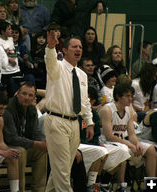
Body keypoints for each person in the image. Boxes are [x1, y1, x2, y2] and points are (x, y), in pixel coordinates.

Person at [44, 30, 94, 192]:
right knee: (63, 172)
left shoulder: (82, 74)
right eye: (74, 46)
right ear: (65, 50)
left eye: (80, 47)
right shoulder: (56, 67)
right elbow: (50, 60)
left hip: (75, 124)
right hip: (57, 122)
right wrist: (51, 47)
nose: (78, 49)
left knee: (59, 171)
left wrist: (90, 122)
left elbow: (85, 101)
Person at [99, 83, 157, 184]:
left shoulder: (129, 111)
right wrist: (130, 144)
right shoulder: (107, 110)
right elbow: (109, 136)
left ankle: (151, 186)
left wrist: (137, 143)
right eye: (127, 96)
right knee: (124, 150)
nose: (130, 99)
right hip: (107, 143)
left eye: (131, 96)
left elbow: (131, 135)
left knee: (151, 150)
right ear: (118, 96)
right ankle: (122, 184)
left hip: (122, 142)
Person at [3, 81, 47, 192]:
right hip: (6, 146)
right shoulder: (8, 109)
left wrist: (43, 143)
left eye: (30, 95)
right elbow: (11, 138)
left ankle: (39, 189)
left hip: (25, 145)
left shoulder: (32, 109)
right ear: (17, 94)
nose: (27, 97)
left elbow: (36, 133)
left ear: (34, 98)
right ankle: (20, 190)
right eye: (24, 94)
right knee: (20, 152)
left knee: (41, 151)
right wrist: (34, 143)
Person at [0, 21, 22, 97]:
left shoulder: (10, 39)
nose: (11, 31)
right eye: (9, 29)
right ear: (3, 31)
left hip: (16, 69)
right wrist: (9, 59)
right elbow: (0, 56)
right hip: (6, 72)